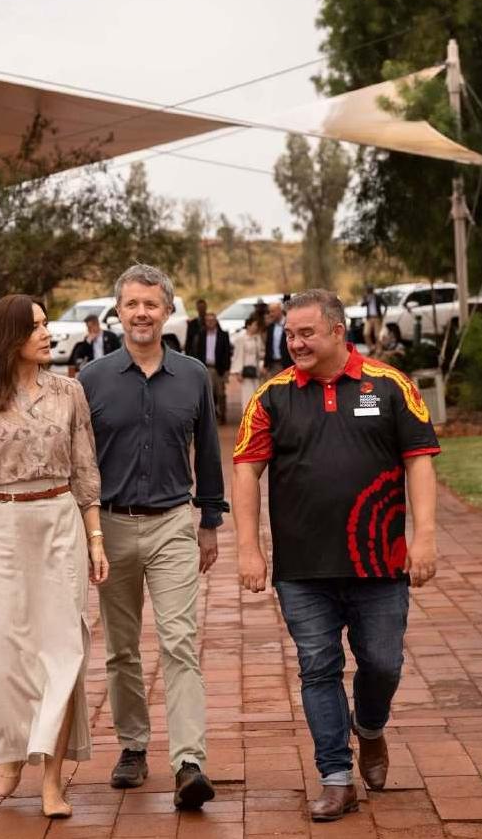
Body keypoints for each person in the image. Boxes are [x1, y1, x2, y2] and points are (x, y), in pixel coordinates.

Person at [232, 289, 440, 823]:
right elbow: (246, 471)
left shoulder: (390, 385)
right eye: (290, 334)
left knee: (383, 664)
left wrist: (425, 537)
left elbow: (419, 460)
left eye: (307, 333)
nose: (295, 343)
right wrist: (249, 548)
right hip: (302, 569)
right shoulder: (272, 396)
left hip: (380, 562)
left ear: (337, 332)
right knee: (318, 667)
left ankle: (369, 728)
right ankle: (336, 778)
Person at [0, 294, 108, 819]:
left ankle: (52, 780)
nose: (47, 333)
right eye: (36, 326)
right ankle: (12, 748)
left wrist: (95, 538)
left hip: (59, 523)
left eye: (46, 324)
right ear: (10, 336)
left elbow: (85, 470)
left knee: (64, 652)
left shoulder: (70, 392)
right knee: (7, 654)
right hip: (3, 528)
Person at [79, 264, 228, 811]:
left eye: (151, 304)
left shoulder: (192, 376)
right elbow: (79, 463)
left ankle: (189, 762)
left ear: (167, 311)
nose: (141, 313)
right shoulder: (91, 380)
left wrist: (209, 522)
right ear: (118, 312)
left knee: (179, 641)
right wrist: (86, 533)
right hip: (111, 526)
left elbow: (208, 450)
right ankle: (133, 746)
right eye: (132, 304)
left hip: (171, 524)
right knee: (121, 648)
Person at [192, 311, 232, 423]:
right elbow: (197, 352)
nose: (210, 322)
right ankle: (212, 416)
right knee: (209, 394)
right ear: (205, 322)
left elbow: (227, 353)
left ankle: (223, 415)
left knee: (221, 393)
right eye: (208, 321)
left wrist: (227, 370)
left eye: (212, 320)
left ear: (216, 321)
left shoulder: (223, 335)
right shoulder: (201, 335)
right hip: (206, 368)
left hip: (219, 369)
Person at [231, 316, 265, 410]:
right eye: (254, 325)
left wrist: (262, 365)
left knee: (257, 393)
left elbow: (261, 352)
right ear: (249, 325)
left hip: (256, 370)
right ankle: (247, 414)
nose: (256, 327)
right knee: (247, 394)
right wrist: (238, 372)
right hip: (245, 370)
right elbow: (238, 355)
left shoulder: (257, 338)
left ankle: (256, 414)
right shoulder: (241, 338)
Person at [263, 302, 291, 375]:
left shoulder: (289, 323)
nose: (270, 314)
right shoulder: (271, 327)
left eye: (273, 311)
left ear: (280, 311)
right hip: (274, 365)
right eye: (269, 312)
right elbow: (268, 346)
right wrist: (265, 365)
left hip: (288, 365)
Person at [361, 285, 387, 353]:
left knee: (377, 335)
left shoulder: (377, 297)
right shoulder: (366, 297)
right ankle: (371, 348)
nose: (369, 292)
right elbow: (362, 305)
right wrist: (367, 300)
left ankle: (379, 349)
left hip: (377, 317)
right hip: (369, 318)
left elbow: (385, 305)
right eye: (368, 291)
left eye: (370, 290)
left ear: (372, 290)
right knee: (366, 333)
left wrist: (383, 315)